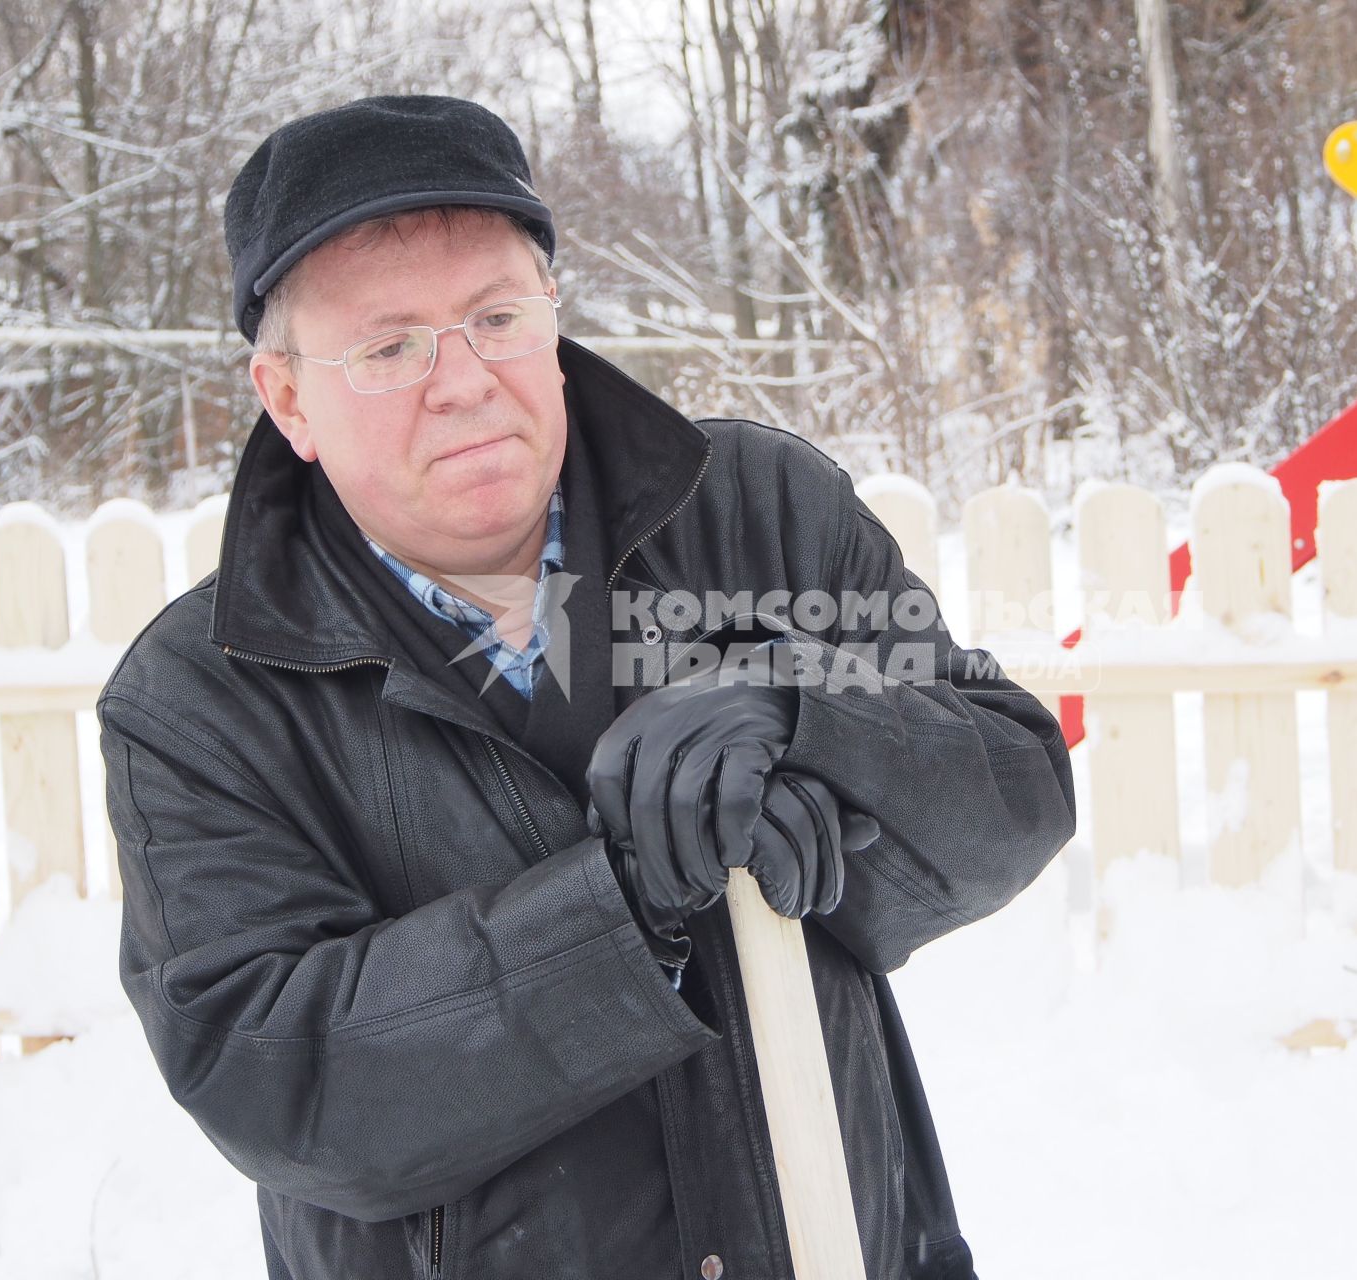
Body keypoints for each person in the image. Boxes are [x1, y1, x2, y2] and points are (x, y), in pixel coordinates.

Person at [97, 95, 1075, 1280]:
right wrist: (618, 909)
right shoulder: (203, 698)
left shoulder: (758, 511)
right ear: (289, 395)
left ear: (553, 317)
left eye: (497, 317)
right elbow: (282, 1077)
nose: (461, 381)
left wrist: (809, 711)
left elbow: (1012, 787)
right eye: (389, 345)